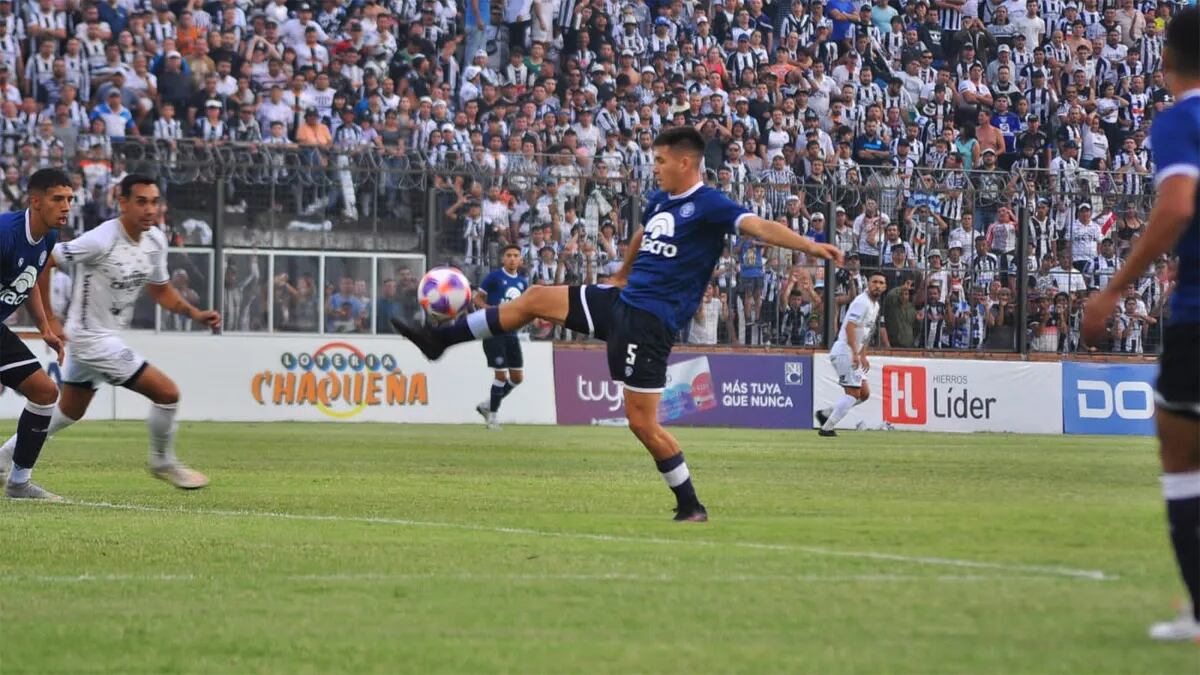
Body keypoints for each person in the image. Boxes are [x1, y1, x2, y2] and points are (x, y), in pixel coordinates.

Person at [392, 127, 843, 522]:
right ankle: (440, 340)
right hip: (622, 299)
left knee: (642, 424)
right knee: (533, 299)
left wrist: (810, 245)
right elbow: (642, 235)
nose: (656, 168)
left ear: (687, 162)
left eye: (662, 161)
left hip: (651, 322)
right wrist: (623, 273)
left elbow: (759, 226)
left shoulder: (710, 204)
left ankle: (690, 504)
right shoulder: (660, 199)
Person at [1081, 8, 1200, 643]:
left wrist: (1113, 289)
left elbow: (1178, 203)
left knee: (1182, 456)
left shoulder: (1181, 120)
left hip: (1197, 314)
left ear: (1166, 62)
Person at [0, 175, 220, 491]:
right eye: (141, 201)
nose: (149, 209)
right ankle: (163, 460)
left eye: (154, 202)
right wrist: (51, 318)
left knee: (62, 408)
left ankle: (7, 466)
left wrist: (195, 313)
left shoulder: (155, 241)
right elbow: (50, 263)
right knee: (167, 393)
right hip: (92, 340)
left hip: (98, 339)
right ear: (123, 202)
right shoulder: (101, 238)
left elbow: (161, 291)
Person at [0, 169, 69, 500]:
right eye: (58, 199)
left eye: (70, 199)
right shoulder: (5, 233)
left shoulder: (49, 237)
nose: (66, 206)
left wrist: (45, 328)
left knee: (44, 392)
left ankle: (18, 483)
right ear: (36, 201)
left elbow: (29, 280)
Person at [815, 273, 887, 437]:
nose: (877, 285)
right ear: (868, 284)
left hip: (852, 352)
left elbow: (866, 331)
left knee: (864, 394)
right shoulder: (862, 302)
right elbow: (850, 327)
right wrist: (855, 353)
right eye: (874, 281)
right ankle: (827, 428)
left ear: (884, 287)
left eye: (881, 283)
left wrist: (863, 354)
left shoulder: (875, 306)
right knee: (854, 394)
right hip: (845, 351)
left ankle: (826, 413)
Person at [473, 245, 528, 430]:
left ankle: (487, 405)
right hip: (494, 332)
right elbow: (477, 299)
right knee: (501, 376)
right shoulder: (494, 277)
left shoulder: (522, 282)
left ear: (520, 260)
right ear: (503, 259)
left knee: (517, 377)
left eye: (516, 256)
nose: (512, 259)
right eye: (509, 255)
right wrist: (491, 311)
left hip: (512, 334)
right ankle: (493, 418)